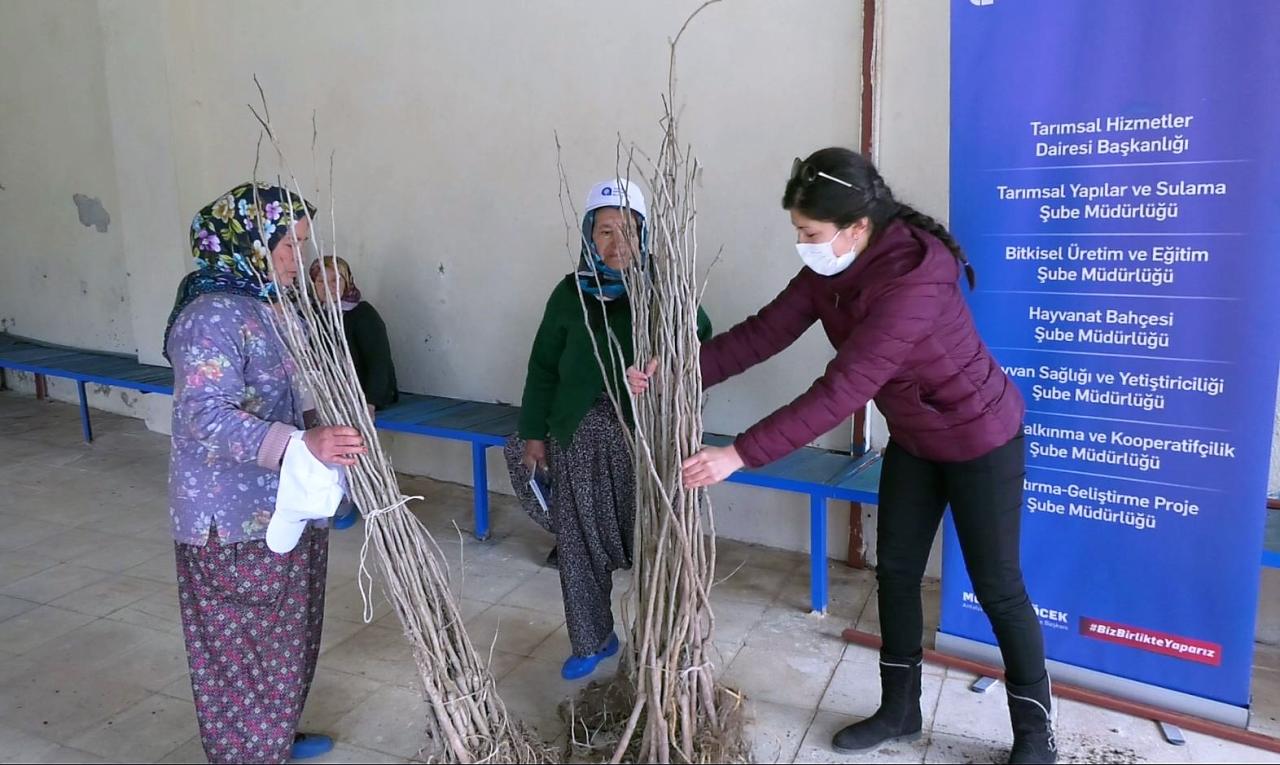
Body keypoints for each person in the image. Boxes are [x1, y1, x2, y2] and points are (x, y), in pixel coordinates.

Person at [628, 148, 1055, 764]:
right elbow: (762, 333)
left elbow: (844, 390)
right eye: (798, 232)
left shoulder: (915, 280)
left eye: (810, 233)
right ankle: (900, 710)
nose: (802, 244)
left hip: (980, 439)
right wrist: (678, 372)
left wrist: (740, 454)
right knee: (897, 571)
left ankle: (1036, 738)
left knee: (998, 588)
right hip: (915, 438)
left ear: (857, 227)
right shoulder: (834, 269)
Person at [165, 182, 366, 764]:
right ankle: (245, 752)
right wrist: (302, 441)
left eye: (302, 246)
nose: (296, 261)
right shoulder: (209, 316)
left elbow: (296, 395)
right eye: (287, 246)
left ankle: (271, 736)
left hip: (287, 503)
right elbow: (202, 415)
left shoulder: (273, 308)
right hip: (228, 518)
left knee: (285, 635)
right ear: (249, 244)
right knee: (238, 647)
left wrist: (337, 423)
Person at [515, 178, 712, 680]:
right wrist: (534, 433)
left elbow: (701, 337)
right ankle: (592, 639)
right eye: (604, 231)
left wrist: (665, 360)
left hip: (640, 440)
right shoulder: (568, 294)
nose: (616, 242)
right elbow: (542, 367)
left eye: (628, 230)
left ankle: (661, 641)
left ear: (645, 236)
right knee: (578, 542)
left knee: (649, 538)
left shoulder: (663, 290)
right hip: (575, 435)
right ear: (588, 236)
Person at [309, 255, 399, 530]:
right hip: (328, 393)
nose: (331, 286)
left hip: (363, 394)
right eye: (322, 281)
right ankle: (323, 497)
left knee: (344, 433)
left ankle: (348, 497)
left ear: (348, 281)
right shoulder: (311, 316)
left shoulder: (362, 313)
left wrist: (368, 402)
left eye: (337, 279)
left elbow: (379, 362)